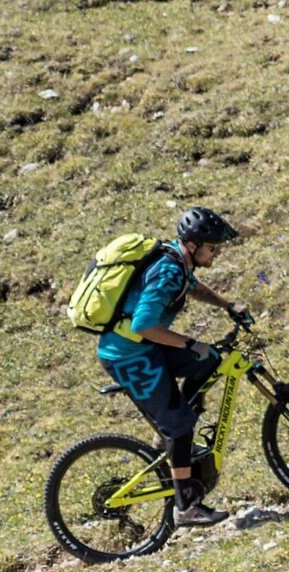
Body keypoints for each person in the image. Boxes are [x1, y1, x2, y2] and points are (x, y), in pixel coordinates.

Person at [97, 207, 252, 527]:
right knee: (180, 426)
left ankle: (166, 442)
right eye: (213, 248)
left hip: (145, 348)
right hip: (128, 355)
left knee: (208, 360)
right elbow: (143, 325)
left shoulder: (177, 263)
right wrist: (189, 343)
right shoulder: (168, 270)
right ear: (193, 246)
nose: (217, 254)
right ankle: (186, 506)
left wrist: (227, 305)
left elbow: (191, 287)